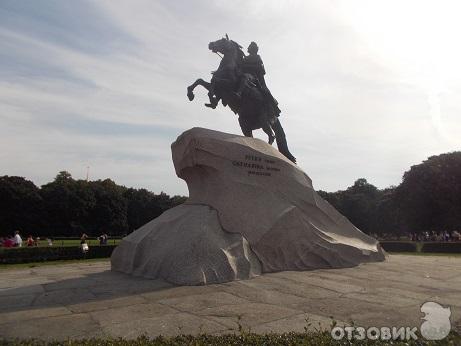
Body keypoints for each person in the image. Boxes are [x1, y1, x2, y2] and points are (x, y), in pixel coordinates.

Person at [236, 42, 280, 115]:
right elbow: (240, 66)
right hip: (245, 75)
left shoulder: (257, 57)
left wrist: (246, 66)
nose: (248, 48)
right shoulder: (245, 58)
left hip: (255, 78)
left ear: (253, 49)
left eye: (249, 47)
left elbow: (260, 68)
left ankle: (274, 108)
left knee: (265, 91)